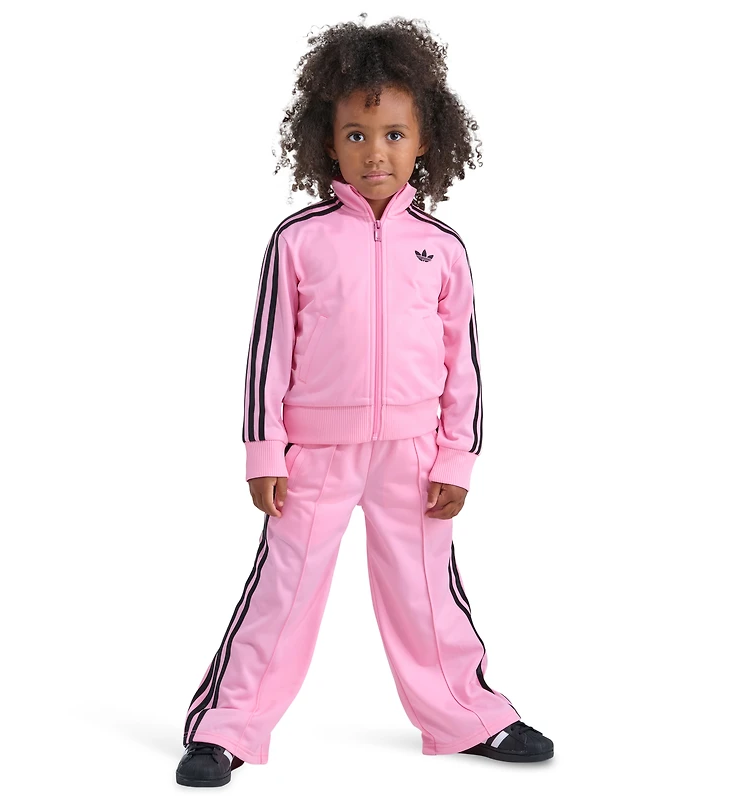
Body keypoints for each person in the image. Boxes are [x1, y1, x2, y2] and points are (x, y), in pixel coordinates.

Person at [176, 15, 553, 788]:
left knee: (426, 593)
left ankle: (468, 715)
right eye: (356, 134)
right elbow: (267, 353)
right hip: (314, 454)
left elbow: (464, 365)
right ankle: (228, 727)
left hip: (414, 455)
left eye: (392, 135)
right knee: (283, 593)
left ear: (424, 142)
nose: (374, 152)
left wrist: (456, 459)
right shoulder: (298, 240)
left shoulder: (442, 248)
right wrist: (263, 450)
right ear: (328, 141)